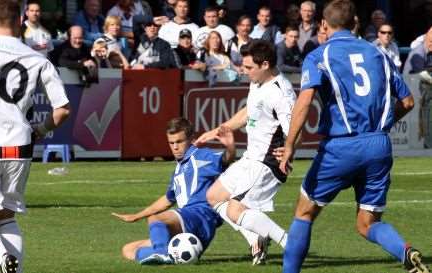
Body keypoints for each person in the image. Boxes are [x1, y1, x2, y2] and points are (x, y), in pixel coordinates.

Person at [279, 1, 430, 273]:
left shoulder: (319, 56)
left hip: (341, 146)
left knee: (304, 213)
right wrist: (381, 124)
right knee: (367, 223)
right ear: (356, 23)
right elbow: (407, 101)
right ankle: (405, 251)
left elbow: (304, 102)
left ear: (323, 25)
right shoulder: (380, 54)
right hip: (378, 145)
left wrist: (290, 145)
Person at [0, 1, 71, 273]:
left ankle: (0, 258)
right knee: (6, 217)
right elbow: (63, 110)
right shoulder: (37, 58)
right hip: (20, 146)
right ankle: (13, 269)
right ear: (20, 21)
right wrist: (39, 130)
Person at [195, 39, 296, 265]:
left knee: (235, 210)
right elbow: (248, 112)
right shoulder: (257, 83)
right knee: (214, 196)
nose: (244, 71)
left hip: (268, 162)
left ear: (265, 64)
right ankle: (256, 238)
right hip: (251, 157)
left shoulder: (282, 93)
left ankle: (290, 244)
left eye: (249, 67)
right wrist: (217, 131)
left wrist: (290, 150)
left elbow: (294, 128)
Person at [112, 117, 235, 265]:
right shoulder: (178, 170)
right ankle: (172, 255)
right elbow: (167, 200)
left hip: (201, 216)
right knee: (129, 249)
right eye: (171, 143)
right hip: (186, 223)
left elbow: (224, 160)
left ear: (191, 139)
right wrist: (137, 216)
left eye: (179, 141)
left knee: (156, 218)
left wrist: (230, 148)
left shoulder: (201, 156)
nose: (175, 147)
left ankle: (162, 254)